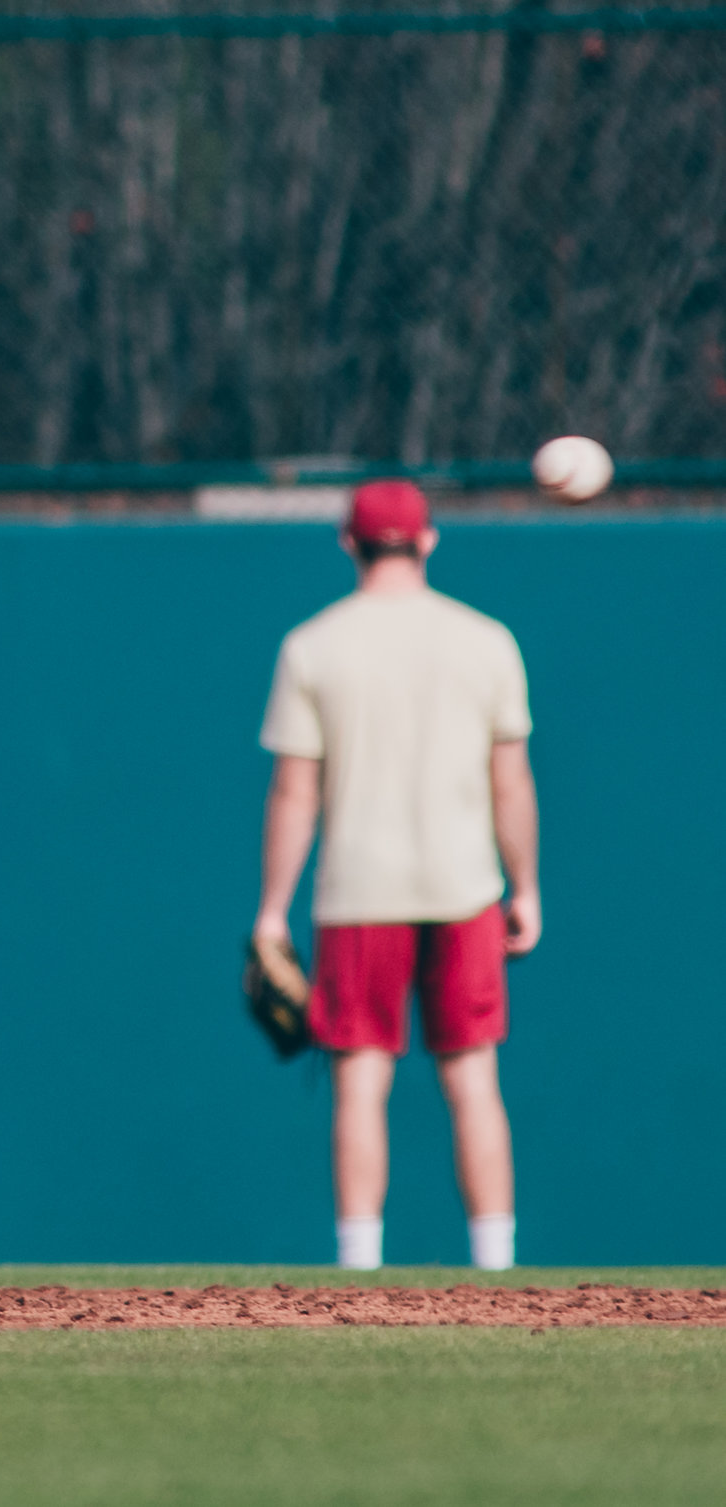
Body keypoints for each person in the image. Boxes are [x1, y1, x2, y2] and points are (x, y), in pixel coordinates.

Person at [252, 479, 541, 1272]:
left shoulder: (314, 645)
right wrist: (526, 888)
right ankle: (496, 1262)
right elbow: (509, 781)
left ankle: (359, 1263)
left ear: (348, 542)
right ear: (428, 540)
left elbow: (294, 792)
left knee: (360, 1084)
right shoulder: (486, 640)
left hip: (360, 894)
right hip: (465, 887)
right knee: (474, 1078)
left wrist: (273, 911)